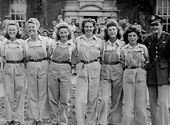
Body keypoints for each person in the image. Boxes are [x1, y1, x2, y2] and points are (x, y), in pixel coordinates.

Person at [74, 18, 103, 125]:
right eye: (86, 26)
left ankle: (90, 121)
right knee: (80, 98)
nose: (88, 29)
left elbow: (103, 55)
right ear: (83, 28)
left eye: (91, 26)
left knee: (93, 97)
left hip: (94, 66)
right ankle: (80, 121)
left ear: (94, 27)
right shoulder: (77, 40)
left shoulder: (99, 41)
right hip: (82, 67)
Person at [143, 14, 170, 125]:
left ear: (161, 25)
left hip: (164, 73)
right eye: (152, 25)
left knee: (164, 103)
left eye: (156, 25)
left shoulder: (168, 38)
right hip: (152, 73)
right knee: (153, 104)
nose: (154, 27)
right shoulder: (148, 39)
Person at [120, 25, 149, 125]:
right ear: (127, 37)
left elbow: (147, 60)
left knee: (140, 104)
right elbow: (121, 62)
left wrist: (142, 70)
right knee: (128, 103)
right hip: (128, 74)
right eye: (130, 36)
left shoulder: (143, 48)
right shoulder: (123, 49)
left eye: (134, 36)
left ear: (138, 37)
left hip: (140, 73)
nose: (132, 38)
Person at [98, 20, 125, 125]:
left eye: (114, 29)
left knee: (117, 99)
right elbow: (99, 57)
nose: (112, 31)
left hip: (118, 71)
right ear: (107, 32)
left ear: (117, 30)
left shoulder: (122, 44)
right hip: (105, 71)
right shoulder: (103, 44)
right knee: (104, 99)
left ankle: (114, 121)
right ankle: (102, 122)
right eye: (109, 30)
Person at [25, 18, 51, 125]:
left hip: (43, 65)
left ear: (37, 27)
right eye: (29, 27)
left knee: (43, 92)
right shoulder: (25, 43)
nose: (31, 29)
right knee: (32, 92)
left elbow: (50, 52)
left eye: (33, 27)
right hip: (30, 65)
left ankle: (41, 117)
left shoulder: (46, 40)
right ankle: (35, 117)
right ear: (26, 29)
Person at [48, 22, 74, 125]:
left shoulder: (73, 45)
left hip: (65, 68)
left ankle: (63, 121)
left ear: (69, 33)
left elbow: (75, 58)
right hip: (53, 67)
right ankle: (54, 120)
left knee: (65, 97)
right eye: (61, 33)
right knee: (53, 96)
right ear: (58, 34)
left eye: (65, 32)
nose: (63, 35)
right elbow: (49, 55)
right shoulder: (53, 44)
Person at [2, 20, 26, 125]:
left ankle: (18, 118)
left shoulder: (22, 43)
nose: (12, 31)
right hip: (8, 68)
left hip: (19, 67)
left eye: (14, 30)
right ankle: (9, 118)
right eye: (10, 30)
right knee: (8, 94)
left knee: (20, 94)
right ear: (7, 31)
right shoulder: (3, 43)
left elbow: (26, 55)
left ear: (17, 31)